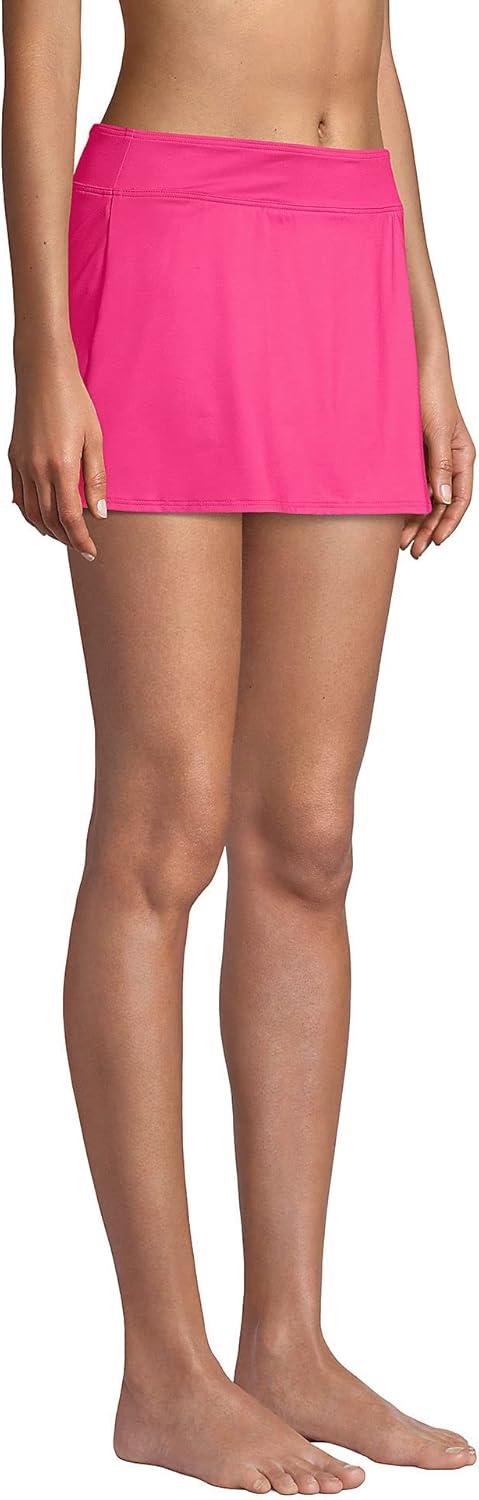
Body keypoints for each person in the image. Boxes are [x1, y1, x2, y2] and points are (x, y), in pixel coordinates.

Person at [2, 1, 475, 1492]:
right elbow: (36, 50)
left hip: (347, 248)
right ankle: (162, 1368)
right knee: (166, 825)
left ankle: (288, 1343)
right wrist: (43, 352)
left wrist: (427, 338)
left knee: (309, 839)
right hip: (166, 234)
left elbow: (373, 57)